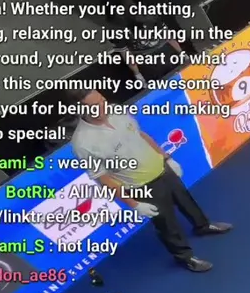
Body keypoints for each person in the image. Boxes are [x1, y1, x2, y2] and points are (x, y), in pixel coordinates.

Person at [66, 89, 231, 271]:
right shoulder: (83, 143)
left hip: (162, 169)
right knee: (166, 224)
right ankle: (185, 257)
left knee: (186, 200)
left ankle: (203, 225)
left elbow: (141, 135)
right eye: (94, 106)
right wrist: (134, 204)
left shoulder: (117, 111)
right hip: (141, 186)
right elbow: (103, 178)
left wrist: (166, 158)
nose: (102, 107)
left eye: (102, 100)